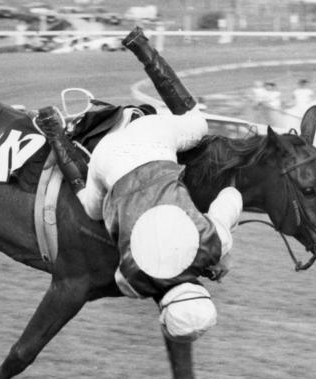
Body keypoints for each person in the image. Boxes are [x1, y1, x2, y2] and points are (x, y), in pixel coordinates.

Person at [34, 80, 242, 343]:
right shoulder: (132, 283)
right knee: (91, 208)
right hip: (107, 158)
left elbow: (231, 196)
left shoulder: (215, 244)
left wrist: (223, 252)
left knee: (198, 125)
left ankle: (141, 47)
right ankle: (55, 133)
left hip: (152, 137)